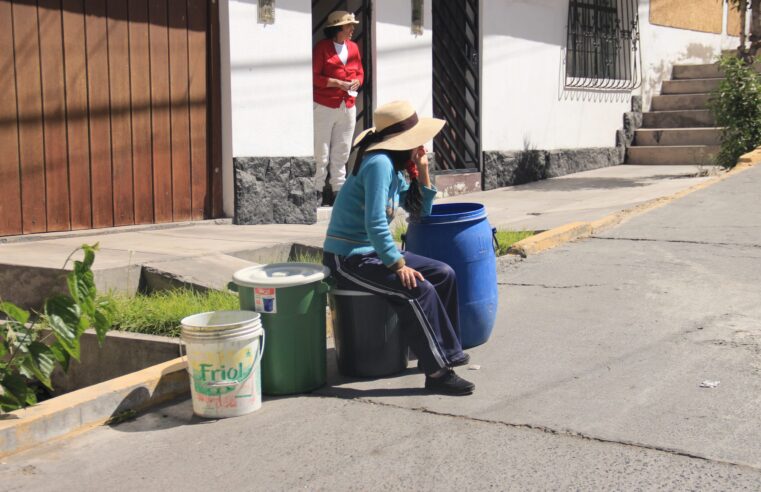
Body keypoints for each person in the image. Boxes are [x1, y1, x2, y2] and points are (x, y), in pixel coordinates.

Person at [322, 101, 475, 396]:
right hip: (348, 257)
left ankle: (438, 350)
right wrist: (398, 264)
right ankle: (438, 371)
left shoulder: (396, 166)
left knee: (444, 274)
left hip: (372, 251)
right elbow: (375, 222)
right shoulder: (379, 163)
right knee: (419, 288)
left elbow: (420, 212)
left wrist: (423, 169)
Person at [312, 10, 364, 207]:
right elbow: (314, 77)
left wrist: (357, 83)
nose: (352, 29)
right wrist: (336, 83)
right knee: (321, 149)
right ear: (337, 28)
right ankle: (317, 189)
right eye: (349, 25)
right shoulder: (322, 48)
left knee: (342, 149)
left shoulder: (353, 48)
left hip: (348, 105)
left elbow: (360, 73)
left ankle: (338, 191)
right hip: (325, 105)